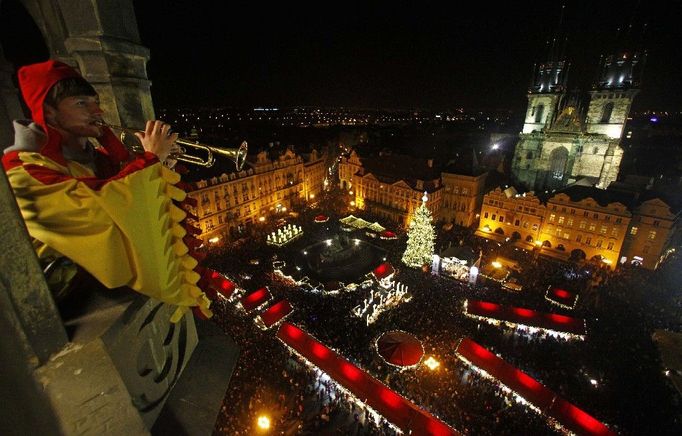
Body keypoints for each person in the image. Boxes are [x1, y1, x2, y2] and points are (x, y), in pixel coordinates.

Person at [2, 59, 216, 321]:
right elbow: (98, 209)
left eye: (96, 103)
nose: (98, 111)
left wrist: (162, 166)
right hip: (68, 301)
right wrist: (149, 162)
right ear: (48, 110)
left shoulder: (98, 157)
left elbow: (131, 199)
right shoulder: (23, 168)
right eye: (82, 103)